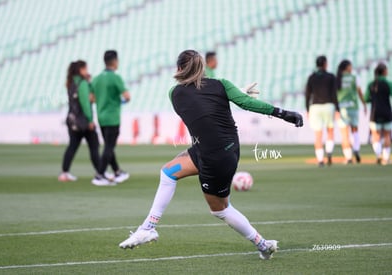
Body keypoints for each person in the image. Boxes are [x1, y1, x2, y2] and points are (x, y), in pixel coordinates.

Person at [119, 50, 303, 260]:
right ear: (202, 68)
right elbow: (243, 103)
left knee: (220, 209)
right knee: (168, 172)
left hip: (214, 157)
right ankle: (148, 228)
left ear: (179, 69)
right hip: (219, 151)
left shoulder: (174, 94)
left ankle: (263, 244)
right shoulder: (221, 85)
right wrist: (284, 113)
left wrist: (237, 93)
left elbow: (201, 101)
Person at [91, 50, 131, 186]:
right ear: (114, 61)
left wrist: (103, 100)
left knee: (109, 145)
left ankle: (117, 171)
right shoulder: (115, 77)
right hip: (112, 117)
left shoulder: (96, 79)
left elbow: (91, 98)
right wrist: (118, 101)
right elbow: (127, 96)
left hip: (101, 117)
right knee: (109, 146)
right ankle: (100, 175)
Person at [58, 60, 100, 182]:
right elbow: (86, 103)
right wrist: (90, 120)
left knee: (72, 146)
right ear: (81, 70)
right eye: (85, 69)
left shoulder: (71, 82)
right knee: (94, 146)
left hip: (72, 121)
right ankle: (100, 172)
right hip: (84, 122)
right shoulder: (82, 83)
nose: (87, 71)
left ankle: (64, 172)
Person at [305, 56, 339, 167]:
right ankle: (329, 152)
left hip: (315, 107)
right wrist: (337, 109)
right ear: (325, 63)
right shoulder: (331, 76)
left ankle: (320, 160)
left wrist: (307, 109)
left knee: (318, 135)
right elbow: (334, 94)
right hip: (328, 105)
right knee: (330, 131)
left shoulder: (312, 77)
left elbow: (307, 95)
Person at [336, 60, 367, 163]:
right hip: (353, 107)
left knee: (344, 134)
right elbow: (359, 92)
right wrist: (364, 103)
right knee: (355, 131)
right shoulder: (355, 78)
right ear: (347, 67)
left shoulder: (337, 79)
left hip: (342, 108)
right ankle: (356, 149)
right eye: (350, 66)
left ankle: (348, 157)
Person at [365, 63, 392, 165]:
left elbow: (366, 98)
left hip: (374, 113)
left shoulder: (371, 84)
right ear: (384, 71)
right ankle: (386, 158)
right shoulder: (388, 83)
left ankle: (378, 155)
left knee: (375, 136)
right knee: (386, 135)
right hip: (387, 112)